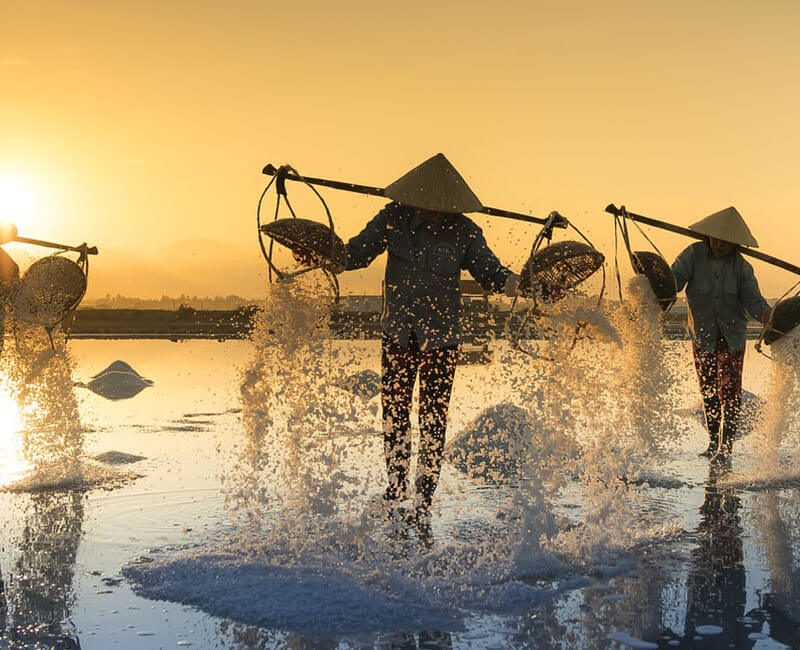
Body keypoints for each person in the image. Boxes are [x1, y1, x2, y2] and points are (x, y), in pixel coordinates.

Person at [344, 153, 520, 541]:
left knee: (433, 422)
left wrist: (521, 284)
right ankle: (395, 491)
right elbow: (354, 253)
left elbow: (489, 272)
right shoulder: (392, 218)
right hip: (398, 336)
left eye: (440, 208)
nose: (433, 213)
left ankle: (423, 502)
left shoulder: (465, 232)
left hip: (442, 340)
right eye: (427, 205)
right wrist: (322, 255)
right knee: (394, 418)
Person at [671, 207, 770, 460]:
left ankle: (726, 449)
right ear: (708, 236)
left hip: (732, 338)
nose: (718, 244)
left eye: (725, 241)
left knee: (731, 395)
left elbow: (754, 302)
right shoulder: (692, 255)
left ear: (734, 243)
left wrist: (769, 317)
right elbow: (673, 282)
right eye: (715, 238)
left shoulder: (742, 268)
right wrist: (654, 281)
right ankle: (713, 443)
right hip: (703, 337)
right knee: (708, 392)